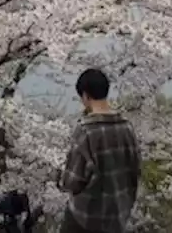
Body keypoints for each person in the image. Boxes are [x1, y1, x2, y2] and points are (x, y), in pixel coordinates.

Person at [59, 68, 141, 233]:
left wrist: (57, 176)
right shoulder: (127, 127)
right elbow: (135, 171)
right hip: (118, 216)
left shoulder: (85, 130)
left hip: (87, 218)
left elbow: (72, 182)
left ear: (85, 96)